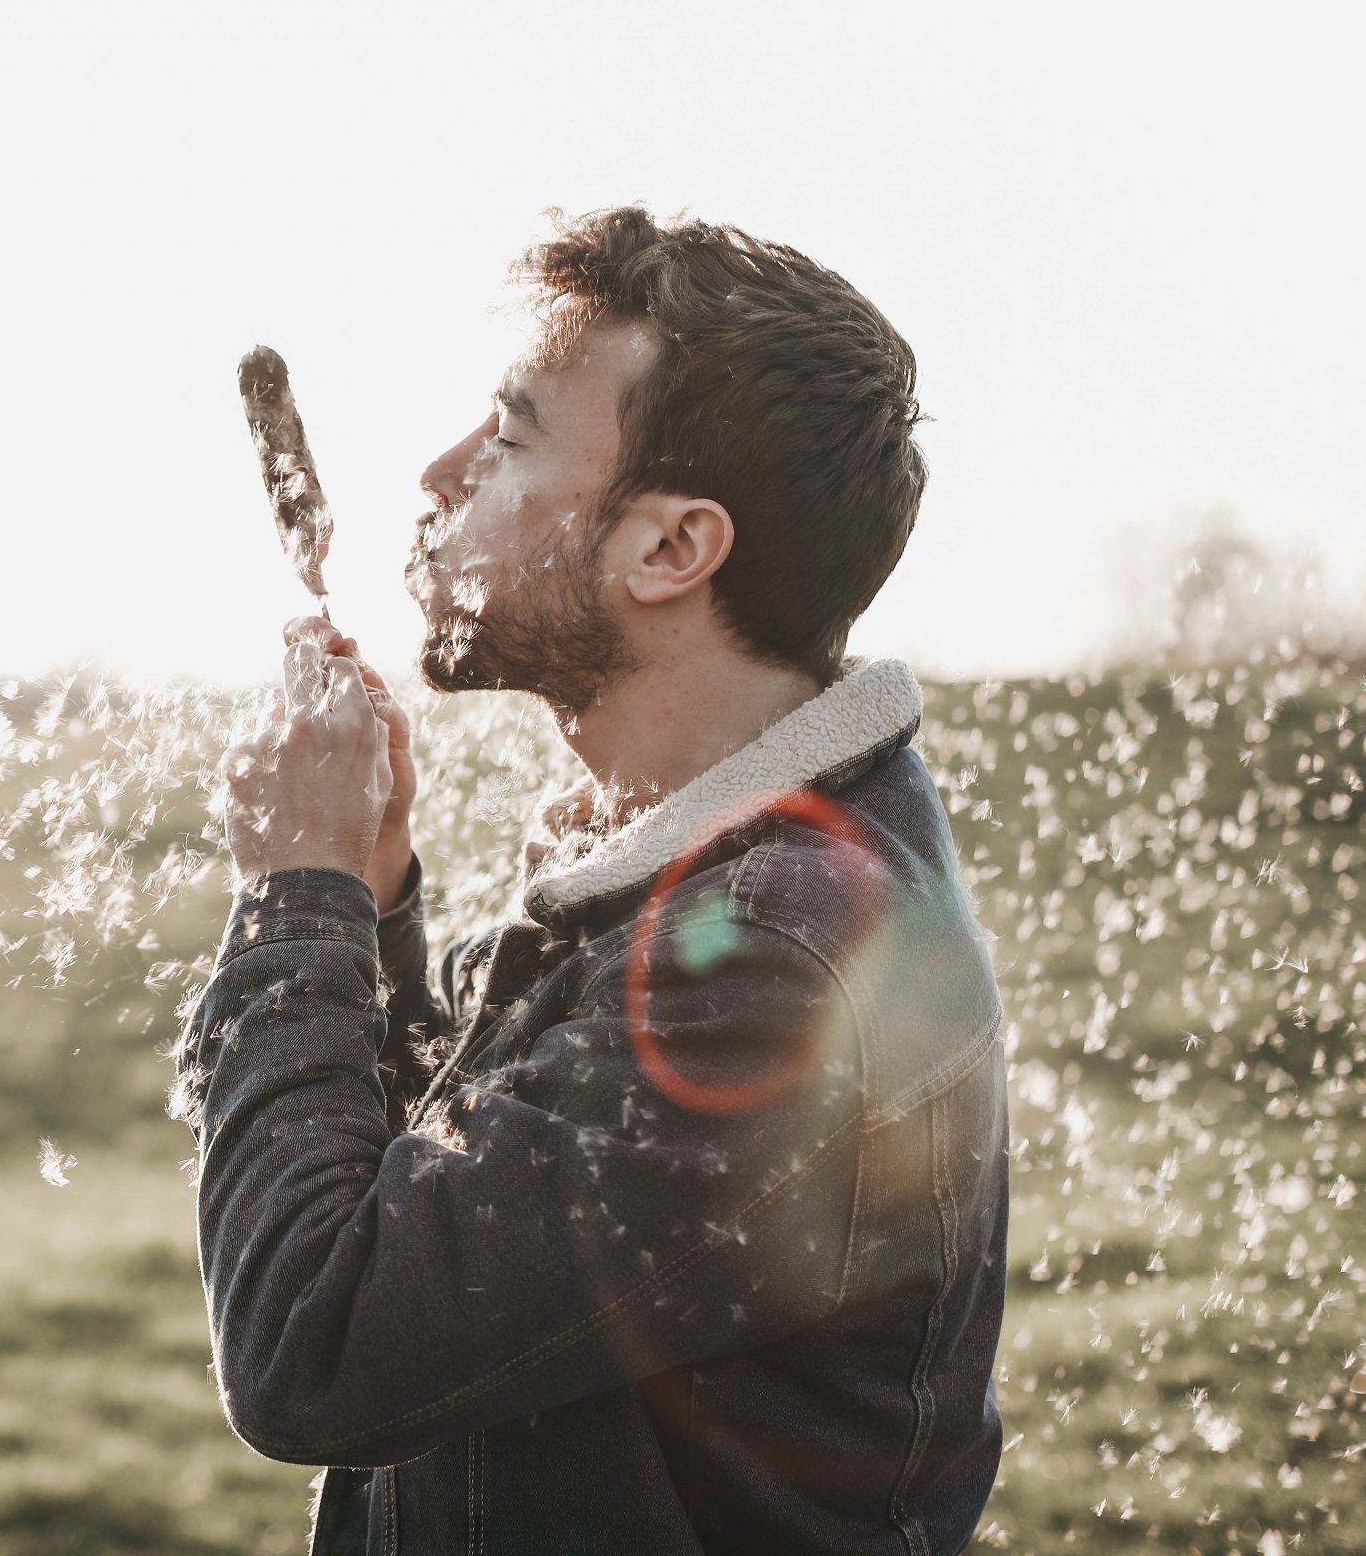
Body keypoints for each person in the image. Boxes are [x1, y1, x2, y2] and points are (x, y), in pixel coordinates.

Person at [182, 207, 1005, 1552]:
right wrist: (383, 906)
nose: (438, 471)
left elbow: (314, 1345)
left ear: (670, 550)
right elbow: (453, 1213)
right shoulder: (685, 860)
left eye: (507, 440)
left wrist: (302, 897)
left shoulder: (776, 963)